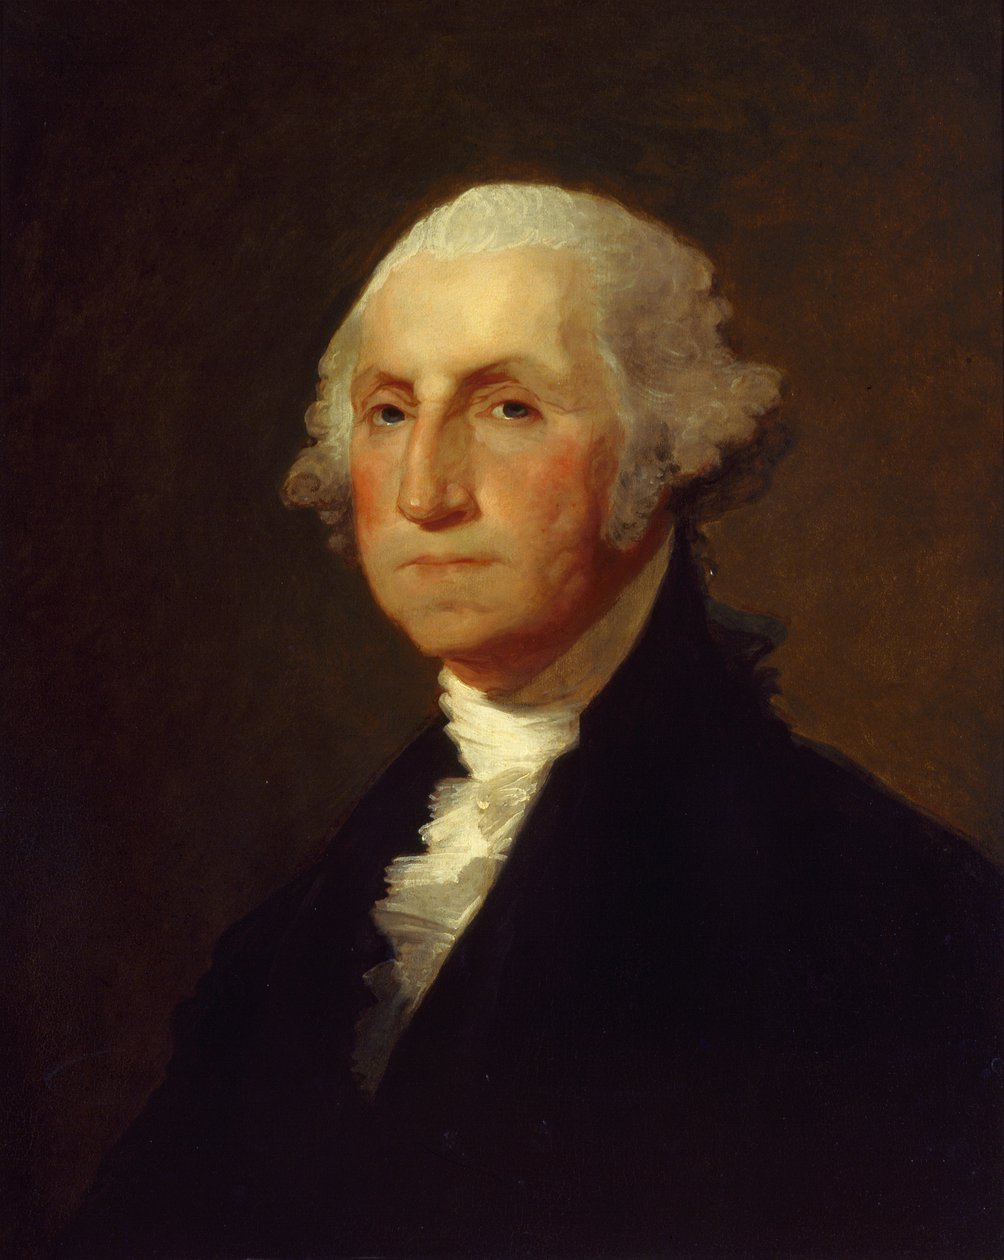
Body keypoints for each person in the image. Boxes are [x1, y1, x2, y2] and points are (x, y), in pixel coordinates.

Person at [61, 184, 1001, 1258]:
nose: (424, 493)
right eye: (389, 413)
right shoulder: (290, 940)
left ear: (661, 448)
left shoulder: (886, 918)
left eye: (508, 408)